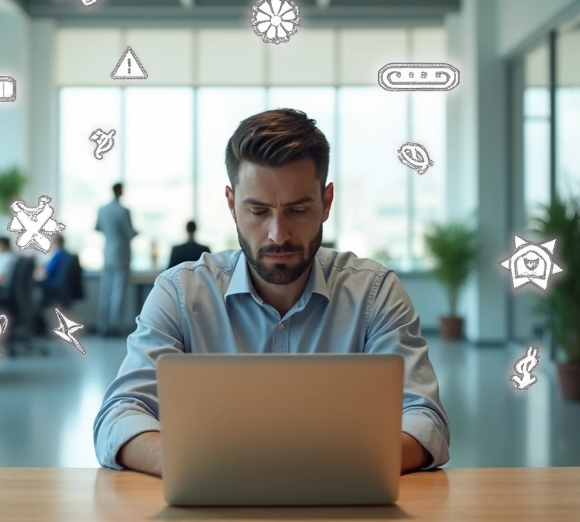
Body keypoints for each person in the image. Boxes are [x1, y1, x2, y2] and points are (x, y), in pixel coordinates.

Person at [92, 108, 449, 478]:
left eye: (297, 210)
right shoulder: (180, 294)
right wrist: (200, 466)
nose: (278, 234)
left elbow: (425, 421)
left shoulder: (375, 293)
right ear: (231, 204)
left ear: (326, 203)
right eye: (258, 211)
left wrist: (305, 471)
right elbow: (119, 416)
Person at [96, 182, 138, 337]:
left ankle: (103, 325)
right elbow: (129, 232)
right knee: (118, 292)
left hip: (107, 253)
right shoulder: (123, 211)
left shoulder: (103, 209)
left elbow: (98, 228)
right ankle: (115, 326)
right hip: (121, 254)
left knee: (105, 291)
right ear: (120, 191)